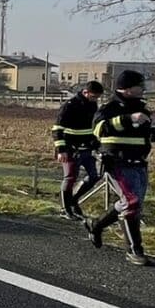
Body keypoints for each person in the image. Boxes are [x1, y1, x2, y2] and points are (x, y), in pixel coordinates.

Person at [87, 70, 154, 266]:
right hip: (116, 162)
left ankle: (97, 225)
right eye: (139, 85)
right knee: (131, 203)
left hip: (139, 163)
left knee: (131, 204)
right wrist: (128, 119)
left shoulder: (143, 110)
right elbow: (98, 129)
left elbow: (144, 135)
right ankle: (134, 250)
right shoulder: (109, 108)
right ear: (127, 88)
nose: (143, 89)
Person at [52, 79, 104, 222]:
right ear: (85, 92)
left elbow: (93, 127)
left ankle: (73, 201)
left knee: (94, 176)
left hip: (87, 149)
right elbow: (57, 129)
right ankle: (65, 209)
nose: (95, 99)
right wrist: (61, 150)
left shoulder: (93, 105)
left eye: (97, 97)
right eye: (93, 96)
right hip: (70, 149)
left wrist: (96, 143)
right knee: (70, 178)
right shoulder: (70, 106)